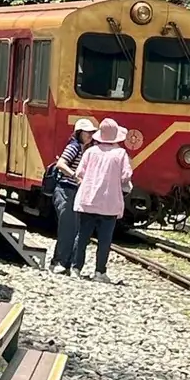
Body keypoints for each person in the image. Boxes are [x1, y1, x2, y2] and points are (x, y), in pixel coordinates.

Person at [70, 117, 133, 283]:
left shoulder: (90, 151)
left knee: (82, 236)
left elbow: (79, 173)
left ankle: (76, 268)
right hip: (109, 203)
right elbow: (126, 176)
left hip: (88, 201)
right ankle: (99, 272)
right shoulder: (120, 154)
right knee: (104, 240)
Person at [49, 118, 96, 274]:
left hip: (73, 191)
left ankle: (64, 262)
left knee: (73, 229)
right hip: (66, 190)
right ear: (79, 133)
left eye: (92, 132)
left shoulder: (85, 149)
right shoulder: (74, 147)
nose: (90, 135)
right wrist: (75, 176)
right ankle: (59, 262)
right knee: (68, 229)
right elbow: (61, 164)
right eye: (87, 132)